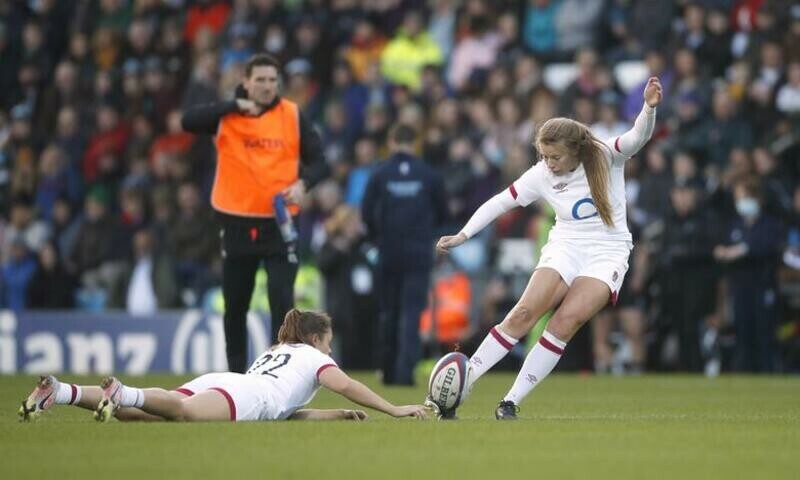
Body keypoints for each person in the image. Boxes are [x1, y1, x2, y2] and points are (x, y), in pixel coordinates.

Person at [436, 77, 662, 419]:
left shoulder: (604, 155)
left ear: (574, 151)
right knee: (523, 314)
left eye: (555, 156)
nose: (549, 163)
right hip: (566, 243)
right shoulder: (541, 173)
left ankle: (510, 401)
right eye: (544, 156)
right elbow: (500, 203)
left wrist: (648, 108)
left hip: (608, 250)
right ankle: (461, 387)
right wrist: (463, 235)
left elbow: (637, 137)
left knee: (565, 321)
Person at [181, 53, 328, 373]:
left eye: (272, 80)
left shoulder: (291, 114)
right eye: (260, 79)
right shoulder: (227, 115)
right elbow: (187, 121)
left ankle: (278, 375)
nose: (266, 86)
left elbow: (321, 162)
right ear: (245, 81)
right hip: (236, 223)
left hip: (280, 224)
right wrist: (232, 106)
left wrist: (304, 184)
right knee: (235, 305)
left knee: (281, 302)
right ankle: (236, 375)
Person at [19, 309, 427, 423]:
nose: (330, 349)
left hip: (228, 383)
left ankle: (63, 390)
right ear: (318, 340)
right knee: (181, 414)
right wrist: (393, 409)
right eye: (329, 343)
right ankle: (121, 390)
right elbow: (347, 384)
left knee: (136, 415)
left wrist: (332, 415)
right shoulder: (314, 357)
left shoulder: (275, 351)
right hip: (246, 395)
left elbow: (285, 412)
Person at [362, 123, 449, 385]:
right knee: (412, 312)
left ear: (391, 141)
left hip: (388, 252)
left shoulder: (380, 174)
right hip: (418, 253)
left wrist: (377, 238)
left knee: (389, 311)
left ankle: (387, 371)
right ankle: (405, 372)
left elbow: (367, 212)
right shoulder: (429, 175)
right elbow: (443, 213)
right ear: (416, 143)